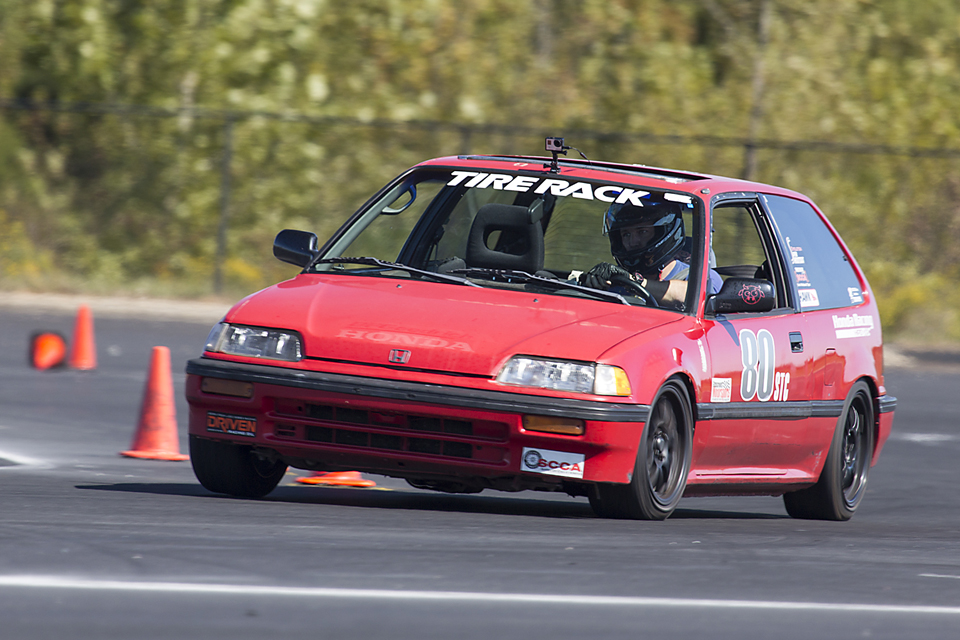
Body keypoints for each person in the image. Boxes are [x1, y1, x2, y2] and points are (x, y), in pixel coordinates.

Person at [578, 200, 722, 308]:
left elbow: (695, 296)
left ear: (663, 232)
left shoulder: (703, 277)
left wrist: (635, 282)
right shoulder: (615, 278)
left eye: (642, 232)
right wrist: (593, 284)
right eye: (626, 234)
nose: (633, 242)